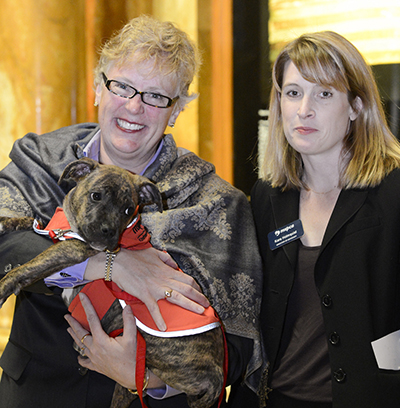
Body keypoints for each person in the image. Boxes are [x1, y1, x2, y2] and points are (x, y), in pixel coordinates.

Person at [0, 15, 263, 408]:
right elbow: (5, 243)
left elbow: (237, 339)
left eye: (156, 96)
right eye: (122, 86)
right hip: (38, 392)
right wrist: (112, 265)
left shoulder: (215, 202)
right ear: (96, 88)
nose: (134, 106)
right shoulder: (43, 160)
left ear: (176, 110)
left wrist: (148, 378)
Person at [249, 30, 400, 408]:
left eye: (325, 94)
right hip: (277, 398)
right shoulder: (268, 197)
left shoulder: (392, 192)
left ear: (355, 106)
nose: (304, 110)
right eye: (294, 92)